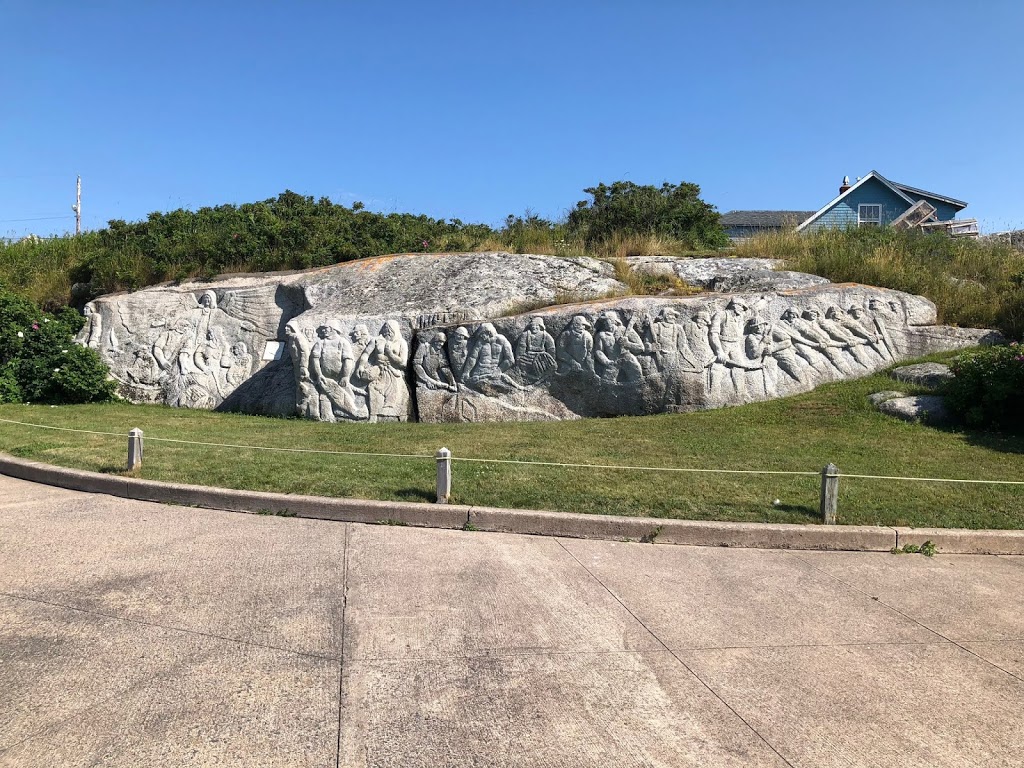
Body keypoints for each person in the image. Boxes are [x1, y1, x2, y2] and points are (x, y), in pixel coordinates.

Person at [356, 319, 410, 422]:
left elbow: (403, 362)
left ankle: (401, 417)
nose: (387, 332)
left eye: (390, 330)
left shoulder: (401, 342)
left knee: (400, 392)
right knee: (373, 388)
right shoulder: (376, 340)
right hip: (379, 371)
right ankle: (373, 417)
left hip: (393, 372)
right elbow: (366, 354)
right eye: (385, 329)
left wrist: (390, 353)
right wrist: (361, 366)